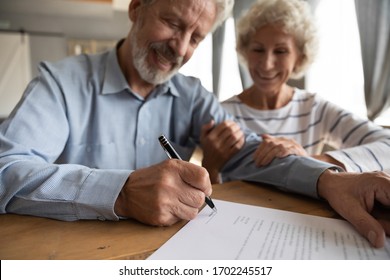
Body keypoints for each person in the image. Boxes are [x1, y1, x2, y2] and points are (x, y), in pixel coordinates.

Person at [0, 0, 389, 249]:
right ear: (136, 8)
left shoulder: (191, 93)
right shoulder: (60, 82)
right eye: (172, 22)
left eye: (196, 38)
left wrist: (329, 180)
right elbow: (6, 170)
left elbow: (252, 152)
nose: (180, 48)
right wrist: (120, 193)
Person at [202, 0, 390, 184]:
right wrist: (210, 165)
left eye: (281, 51)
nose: (267, 64)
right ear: (244, 50)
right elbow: (210, 194)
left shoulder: (314, 108)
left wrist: (307, 163)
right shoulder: (222, 113)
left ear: (299, 58)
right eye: (258, 49)